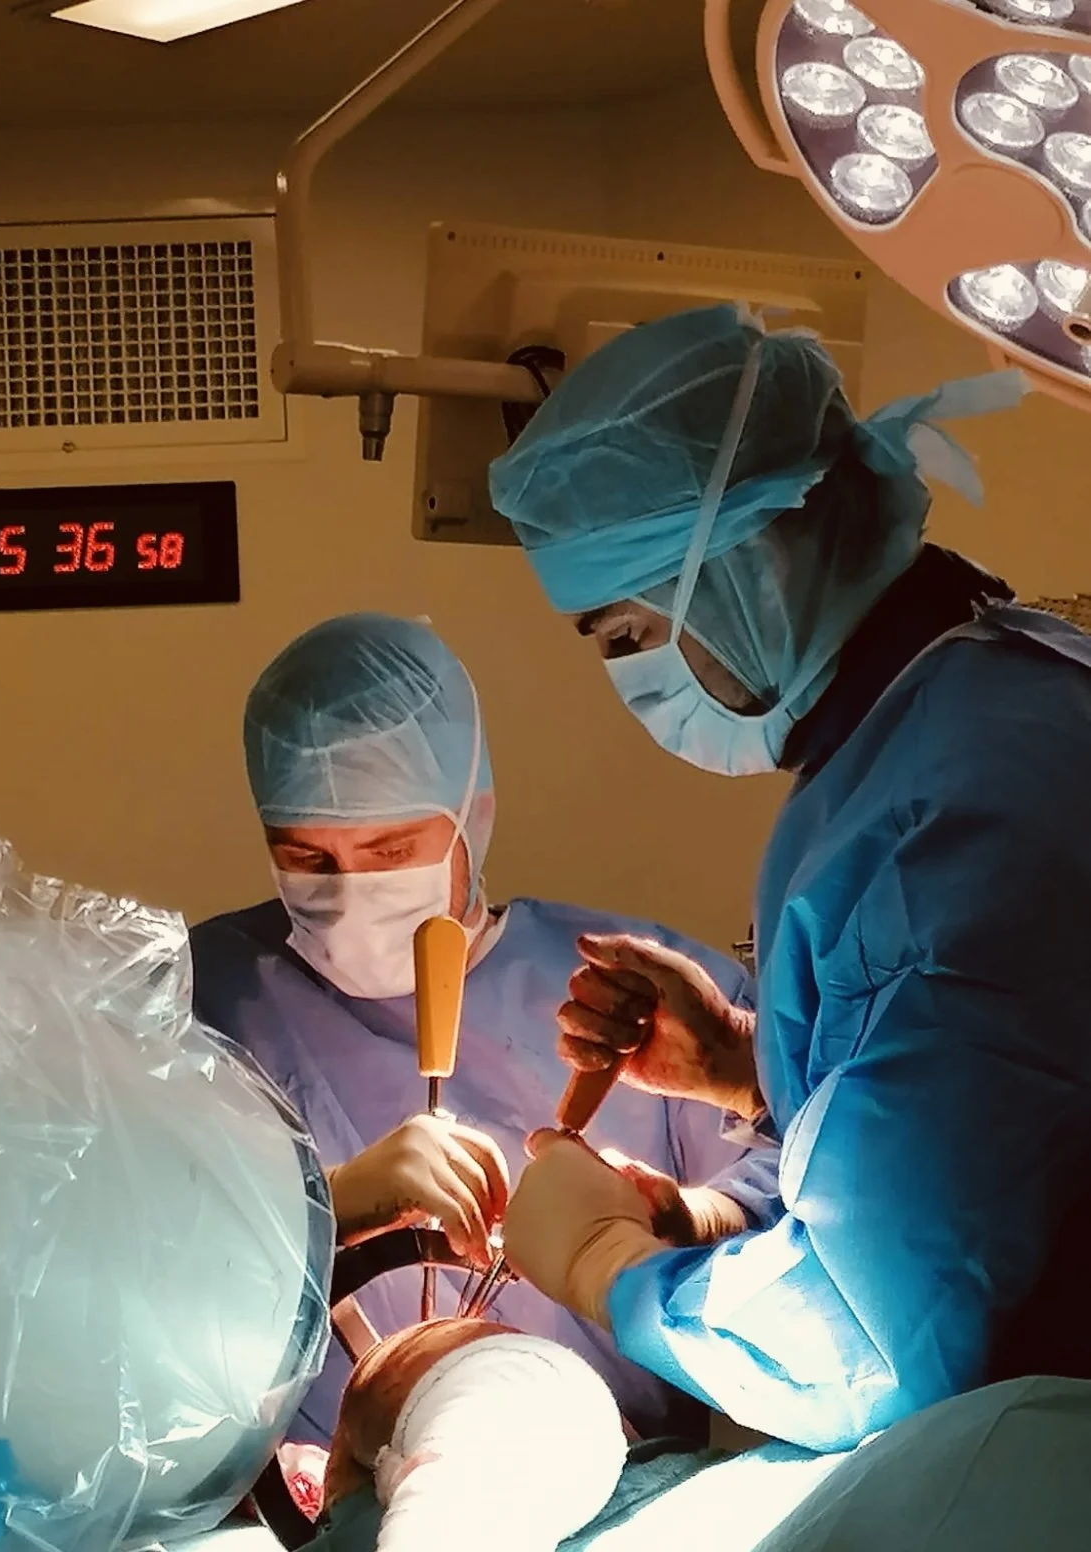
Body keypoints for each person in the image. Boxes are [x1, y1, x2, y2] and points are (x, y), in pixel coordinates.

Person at [489, 303, 1091, 1453]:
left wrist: (603, 1263)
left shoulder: (959, 812)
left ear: (752, 559)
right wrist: (741, 1063)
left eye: (624, 636)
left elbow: (867, 1345)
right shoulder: (977, 692)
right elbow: (1009, 1113)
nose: (630, 681)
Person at [190, 612, 782, 1447]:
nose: (351, 890)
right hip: (317, 1492)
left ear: (474, 816)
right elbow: (124, 1265)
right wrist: (323, 1206)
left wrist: (682, 1218)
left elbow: (822, 1200)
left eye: (391, 850)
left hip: (619, 1481)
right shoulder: (205, 1000)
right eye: (308, 859)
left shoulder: (629, 992)